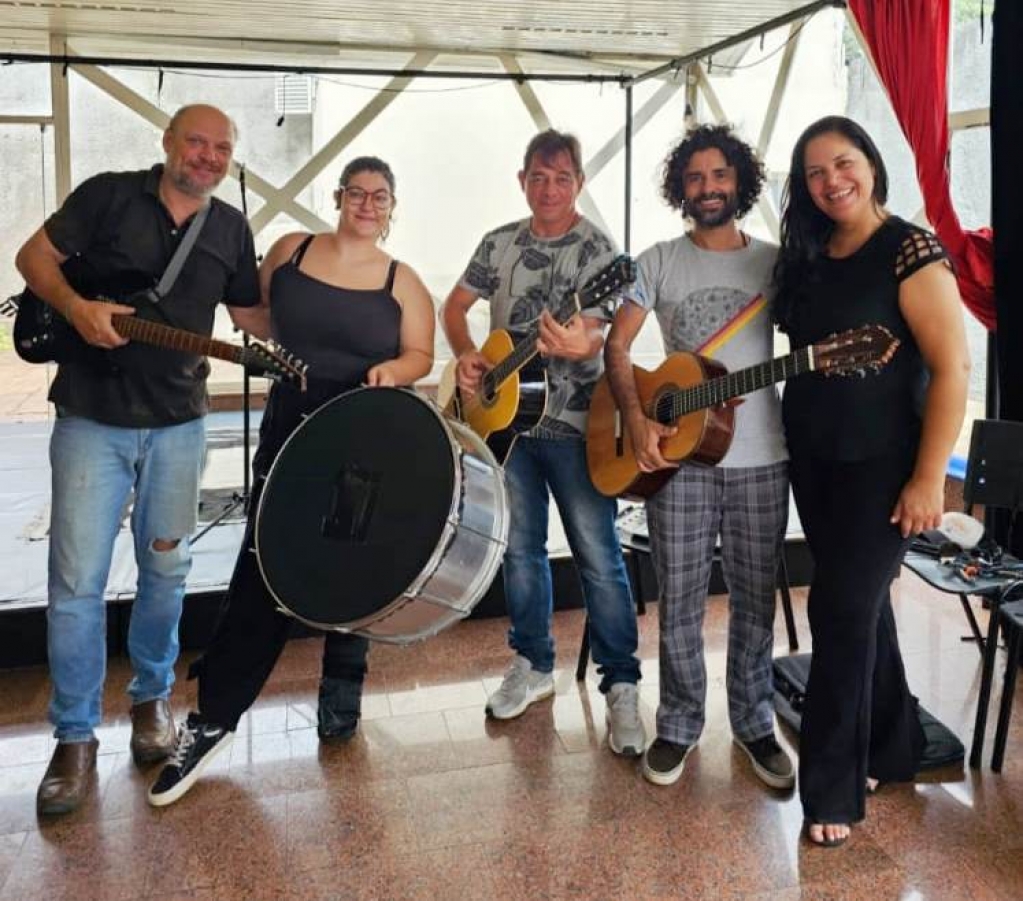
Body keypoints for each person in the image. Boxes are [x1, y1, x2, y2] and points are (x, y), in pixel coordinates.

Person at [148, 155, 435, 807]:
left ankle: (341, 694)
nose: (367, 203)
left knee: (351, 565)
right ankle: (213, 717)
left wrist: (394, 371)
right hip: (290, 418)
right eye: (356, 192)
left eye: (380, 196)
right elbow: (255, 315)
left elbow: (421, 353)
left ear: (393, 208)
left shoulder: (404, 280)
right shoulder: (290, 250)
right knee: (264, 565)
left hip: (362, 427)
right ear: (338, 197)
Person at [14, 104, 262, 816]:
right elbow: (32, 257)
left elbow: (251, 316)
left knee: (167, 568)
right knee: (75, 582)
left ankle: (152, 699)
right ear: (168, 143)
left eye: (221, 147)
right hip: (93, 420)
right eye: (196, 141)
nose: (208, 156)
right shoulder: (108, 194)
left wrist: (331, 286)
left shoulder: (229, 229)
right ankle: (74, 735)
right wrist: (75, 305)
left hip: (182, 426)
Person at [772, 116, 969, 847]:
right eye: (815, 173)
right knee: (861, 609)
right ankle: (894, 746)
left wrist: (928, 479)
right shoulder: (811, 254)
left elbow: (951, 368)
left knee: (839, 610)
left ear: (871, 165)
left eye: (843, 163)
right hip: (815, 461)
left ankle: (830, 791)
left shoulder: (908, 249)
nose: (831, 181)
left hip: (885, 466)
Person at [440, 129, 644, 756]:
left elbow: (601, 333)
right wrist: (470, 355)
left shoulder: (599, 251)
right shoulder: (498, 242)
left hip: (577, 429)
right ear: (522, 179)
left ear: (579, 182)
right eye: (538, 177)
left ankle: (622, 682)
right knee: (519, 551)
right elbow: (455, 305)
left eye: (561, 178)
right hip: (508, 427)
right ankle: (531, 665)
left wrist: (580, 342)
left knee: (597, 556)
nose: (549, 188)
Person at [604, 124, 794, 790]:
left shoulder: (775, 262)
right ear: (678, 189)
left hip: (762, 456)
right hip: (676, 459)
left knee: (752, 600)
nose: (708, 188)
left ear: (739, 180)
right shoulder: (654, 260)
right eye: (694, 178)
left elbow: (816, 331)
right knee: (678, 598)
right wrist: (635, 416)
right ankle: (679, 724)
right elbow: (619, 347)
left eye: (718, 176)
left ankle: (752, 724)